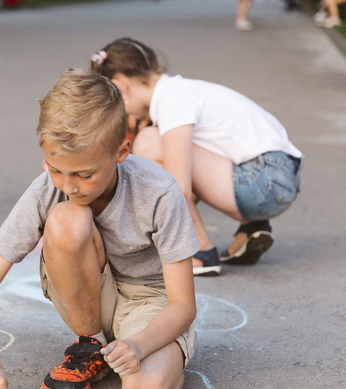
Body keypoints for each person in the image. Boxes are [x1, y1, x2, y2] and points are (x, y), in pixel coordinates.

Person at [0, 70, 199, 389]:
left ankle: (167, 359)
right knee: (65, 219)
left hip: (152, 304)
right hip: (96, 301)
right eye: (56, 169)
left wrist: (139, 345)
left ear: (123, 150)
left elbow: (183, 304)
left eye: (85, 174)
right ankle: (90, 344)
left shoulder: (159, 191)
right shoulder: (47, 189)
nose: (68, 185)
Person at [90, 38, 302, 276]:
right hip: (278, 176)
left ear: (121, 88)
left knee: (148, 142)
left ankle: (200, 252)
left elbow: (179, 188)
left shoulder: (172, 101)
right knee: (169, 151)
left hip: (265, 182)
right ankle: (251, 227)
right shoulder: (181, 90)